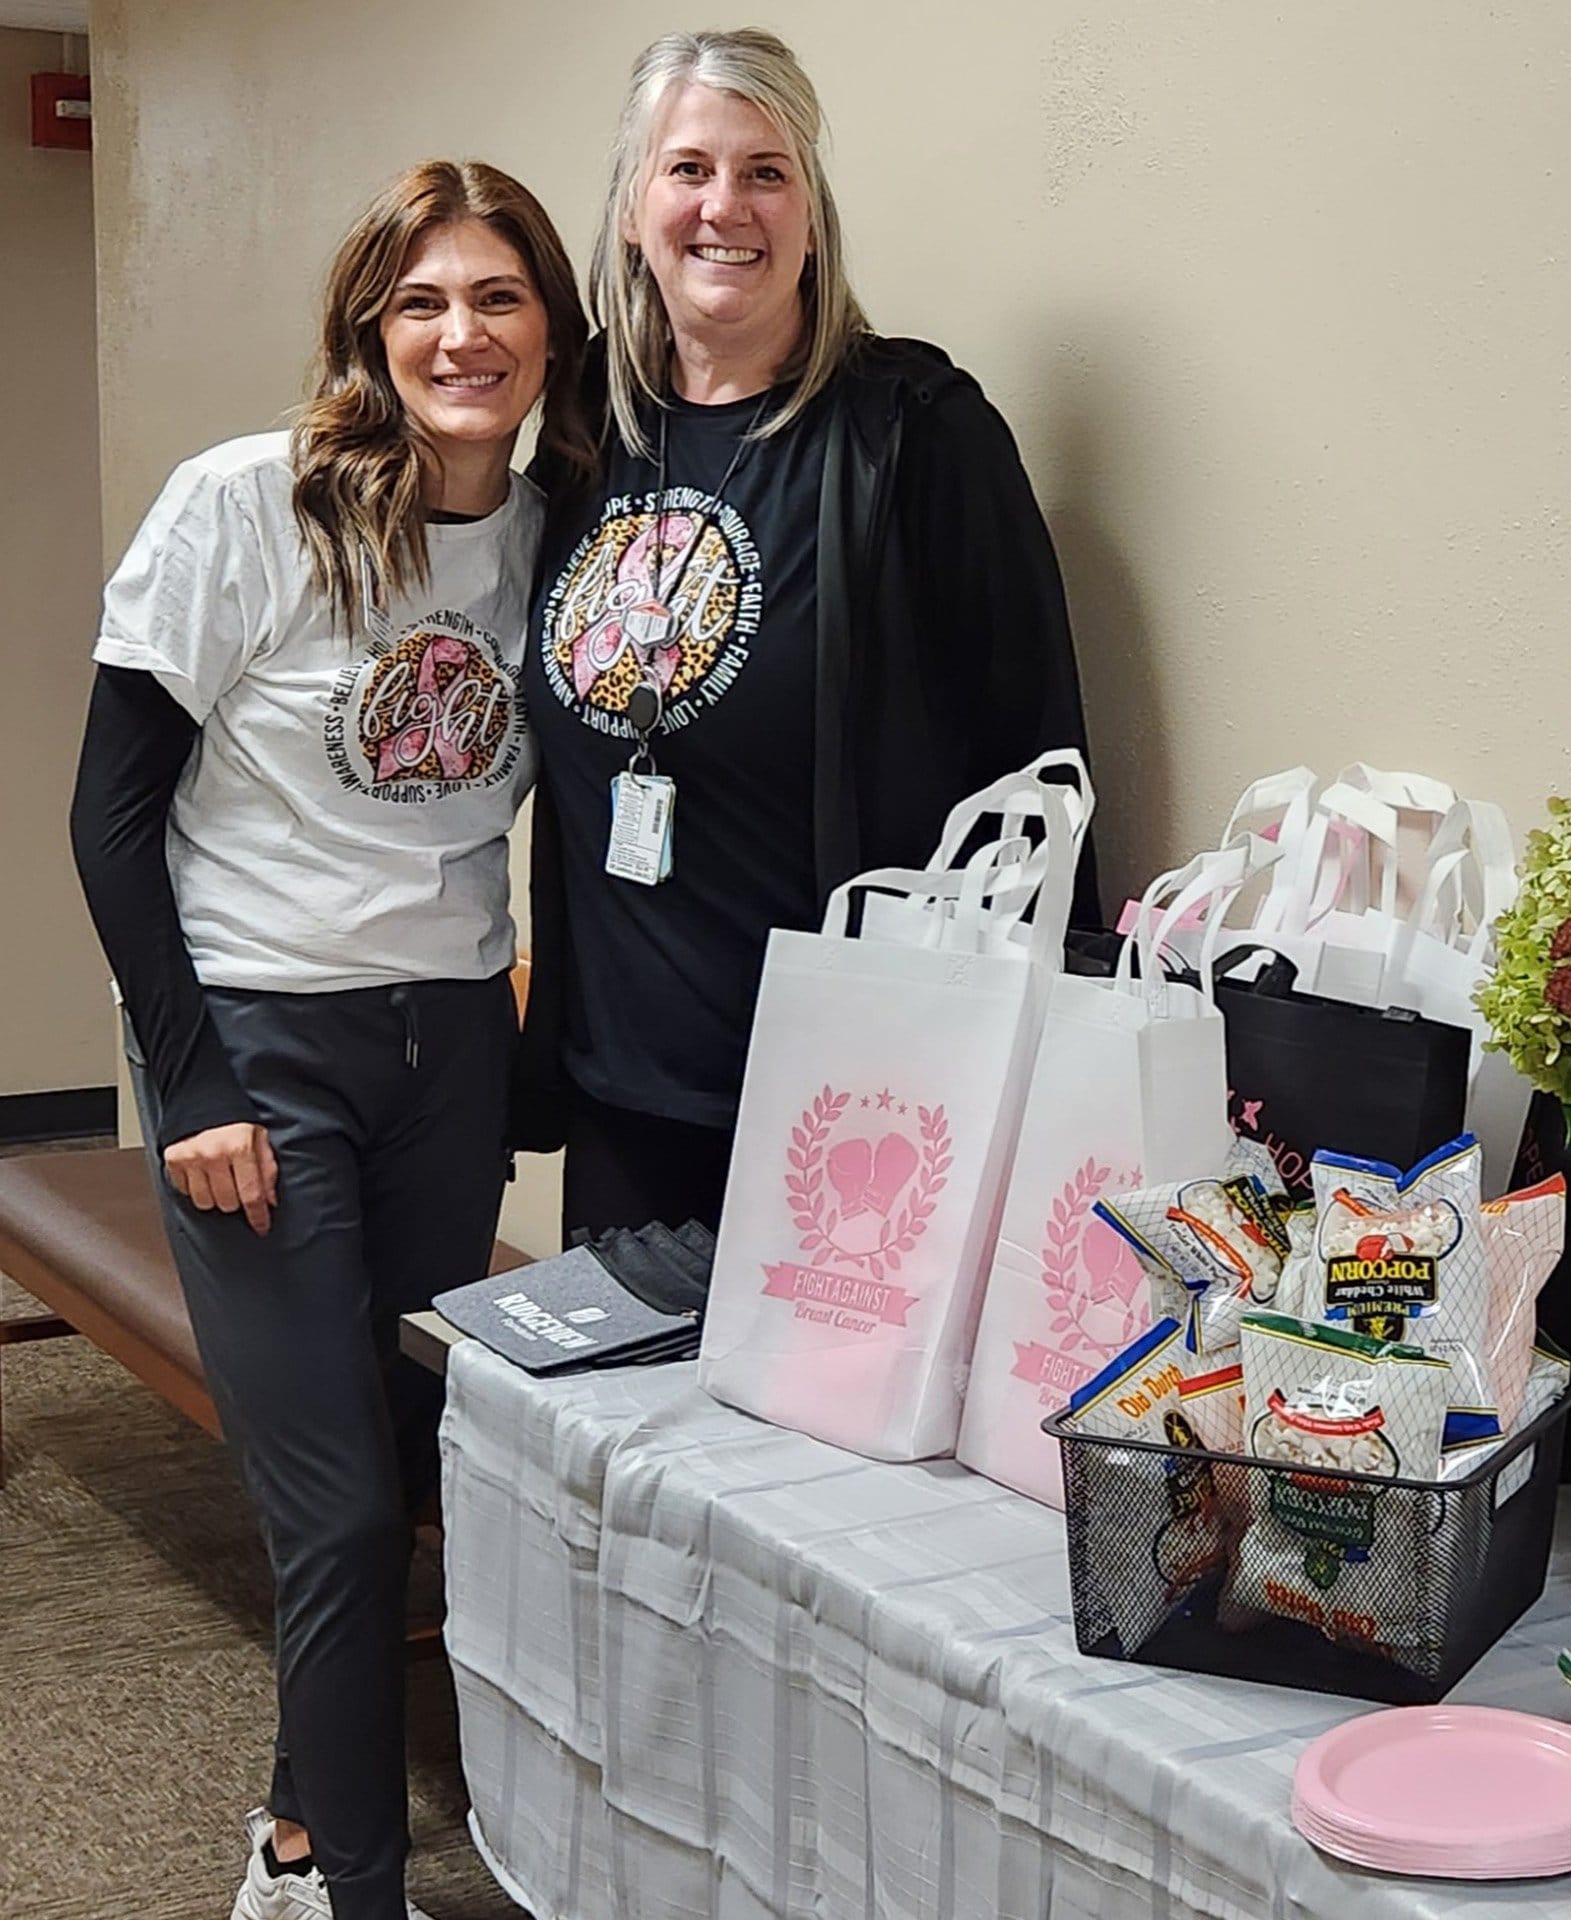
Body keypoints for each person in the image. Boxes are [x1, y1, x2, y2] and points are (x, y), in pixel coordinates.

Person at [68, 163, 594, 1920]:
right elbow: (109, 813)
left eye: (501, 298)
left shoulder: (559, 532)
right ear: (374, 326)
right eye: (426, 300)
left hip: (445, 1051)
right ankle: (348, 1893)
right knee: (342, 1511)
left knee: (404, 1451)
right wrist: (191, 1080)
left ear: (548, 332)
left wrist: (525, 1050)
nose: (464, 334)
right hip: (263, 1053)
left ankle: (297, 1829)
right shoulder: (247, 509)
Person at [518, 28, 1093, 1237]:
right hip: (623, 1095)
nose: (725, 205)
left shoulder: (915, 435)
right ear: (633, 209)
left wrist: (1051, 1069)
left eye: (765, 171)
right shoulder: (585, 429)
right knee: (614, 1428)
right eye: (687, 170)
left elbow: (1038, 768)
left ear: (812, 215)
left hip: (852, 1116)